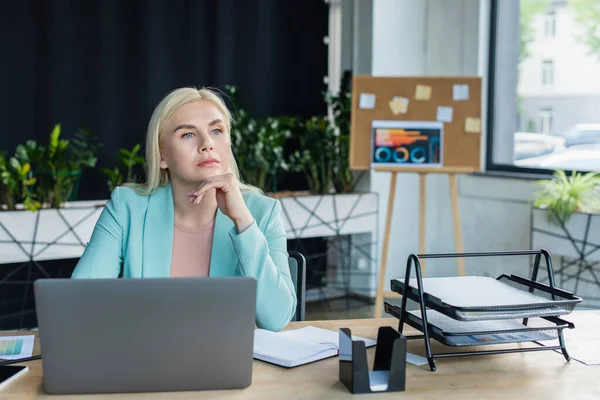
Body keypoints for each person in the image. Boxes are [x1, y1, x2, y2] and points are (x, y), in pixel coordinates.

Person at [71, 87, 297, 332]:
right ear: (162, 157)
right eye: (188, 135)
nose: (207, 144)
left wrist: (242, 222)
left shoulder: (262, 213)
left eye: (216, 130)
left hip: (226, 365)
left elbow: (276, 319)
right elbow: (79, 303)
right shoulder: (127, 208)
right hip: (146, 361)